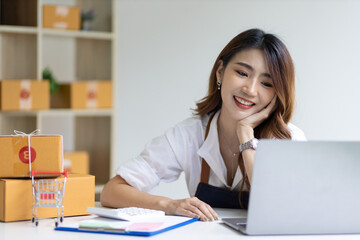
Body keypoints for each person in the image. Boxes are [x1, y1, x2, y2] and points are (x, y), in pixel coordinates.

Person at [101, 28, 306, 222]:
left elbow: (279, 209)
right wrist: (169, 205)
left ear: (277, 93)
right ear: (220, 72)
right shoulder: (189, 134)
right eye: (242, 73)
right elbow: (112, 191)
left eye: (266, 83)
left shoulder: (287, 140)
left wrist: (246, 137)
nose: (250, 90)